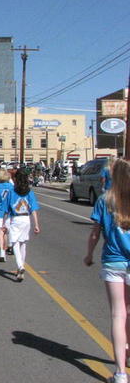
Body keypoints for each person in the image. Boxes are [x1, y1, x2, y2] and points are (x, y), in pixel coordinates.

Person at [84, 159, 130, 383]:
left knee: (118, 314)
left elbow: (94, 233)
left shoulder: (104, 200)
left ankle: (121, 373)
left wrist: (89, 254)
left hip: (113, 261)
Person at [6, 168, 41, 281]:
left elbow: (7, 209)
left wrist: (3, 222)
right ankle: (21, 268)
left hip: (16, 219)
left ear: (15, 179)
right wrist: (36, 225)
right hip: (26, 219)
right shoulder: (29, 192)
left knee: (14, 243)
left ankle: (20, 266)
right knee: (23, 244)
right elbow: (34, 210)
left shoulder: (12, 191)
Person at [0, 169, 15, 262]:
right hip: (8, 212)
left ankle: (2, 251)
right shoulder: (11, 187)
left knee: (0, 233)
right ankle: (8, 247)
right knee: (6, 231)